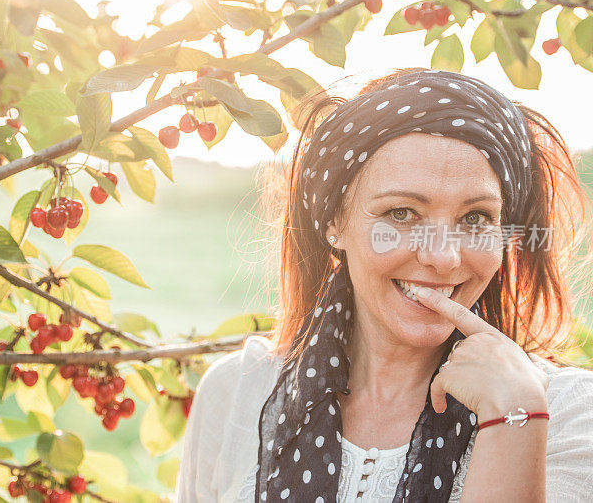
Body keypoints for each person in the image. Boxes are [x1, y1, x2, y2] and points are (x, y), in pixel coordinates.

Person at [174, 67, 593, 502]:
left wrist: (513, 416)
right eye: (401, 213)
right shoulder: (239, 392)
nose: (443, 256)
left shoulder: (568, 414)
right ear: (335, 221)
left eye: (475, 218)